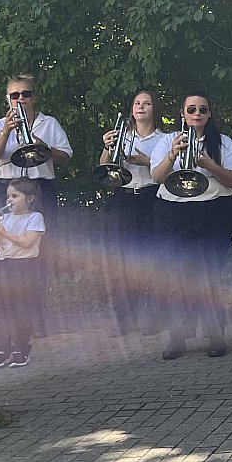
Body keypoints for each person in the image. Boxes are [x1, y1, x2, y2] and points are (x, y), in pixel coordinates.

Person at [150, 93, 232, 359]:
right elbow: (156, 177)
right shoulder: (167, 140)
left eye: (203, 109)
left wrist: (209, 164)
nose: (197, 113)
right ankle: (177, 338)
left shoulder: (223, 143)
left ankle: (215, 335)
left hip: (214, 212)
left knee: (209, 274)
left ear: (209, 114)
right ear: (182, 113)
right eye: (191, 109)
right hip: (173, 213)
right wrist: (172, 155)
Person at [99, 88, 169, 336]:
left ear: (154, 109)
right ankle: (124, 321)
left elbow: (167, 170)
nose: (141, 107)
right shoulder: (123, 136)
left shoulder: (164, 139)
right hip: (124, 198)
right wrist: (107, 147)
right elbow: (105, 168)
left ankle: (154, 317)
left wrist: (147, 161)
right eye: (137, 103)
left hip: (151, 197)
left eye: (147, 103)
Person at [0, 74, 72, 215]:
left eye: (26, 94)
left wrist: (45, 149)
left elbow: (66, 158)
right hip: (5, 187)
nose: (21, 98)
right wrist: (6, 130)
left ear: (34, 98)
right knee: (2, 228)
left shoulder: (49, 123)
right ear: (8, 99)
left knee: (45, 228)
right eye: (15, 95)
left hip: (40, 188)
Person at [0, 179, 45, 367]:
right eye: (8, 196)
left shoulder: (35, 217)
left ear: (30, 198)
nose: (9, 200)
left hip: (26, 266)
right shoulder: (5, 218)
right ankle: (2, 349)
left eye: (15, 196)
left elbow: (27, 242)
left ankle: (21, 348)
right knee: (2, 308)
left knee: (21, 308)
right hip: (5, 265)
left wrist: (4, 233)